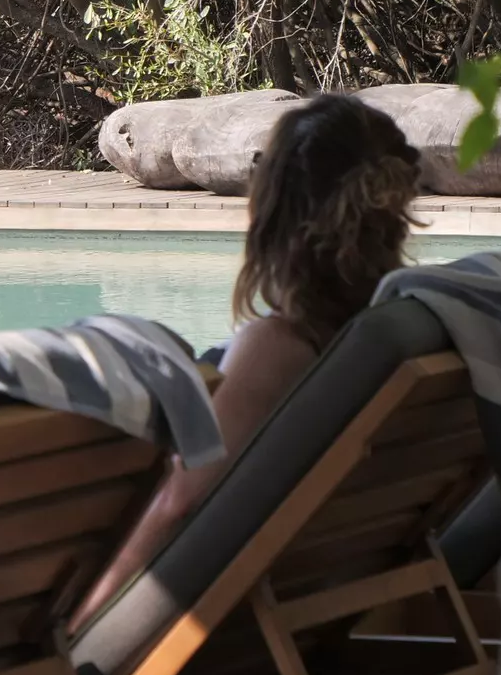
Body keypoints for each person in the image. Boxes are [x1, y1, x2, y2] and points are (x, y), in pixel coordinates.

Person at [72, 94, 422, 625]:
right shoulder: (400, 329)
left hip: (226, 621)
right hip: (323, 599)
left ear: (272, 209)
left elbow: (179, 506)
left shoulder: (281, 346)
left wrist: (77, 624)